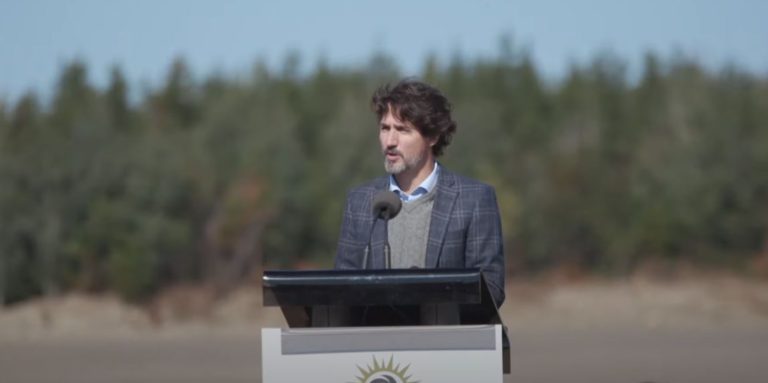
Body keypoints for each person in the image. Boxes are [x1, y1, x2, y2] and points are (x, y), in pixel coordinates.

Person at [334, 79, 505, 306]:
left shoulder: (474, 199)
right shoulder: (360, 202)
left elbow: (491, 289)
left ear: (432, 137)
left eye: (403, 130)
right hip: (377, 339)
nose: (390, 141)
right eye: (385, 128)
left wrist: (425, 299)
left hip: (445, 338)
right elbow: (340, 290)